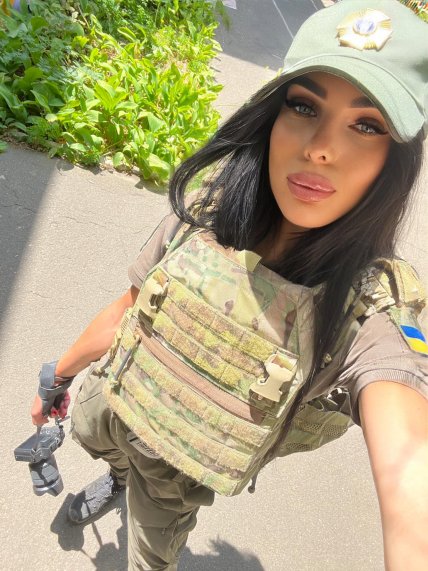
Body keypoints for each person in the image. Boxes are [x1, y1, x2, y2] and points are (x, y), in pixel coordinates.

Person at [31, 0, 428, 569]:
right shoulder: (207, 214)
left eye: (367, 125)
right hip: (113, 395)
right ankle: (117, 477)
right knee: (94, 436)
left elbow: (410, 465)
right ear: (272, 116)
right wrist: (59, 376)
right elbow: (129, 307)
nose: (320, 147)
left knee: (150, 556)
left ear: (396, 161)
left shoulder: (366, 315)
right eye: (303, 105)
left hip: (173, 473)